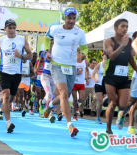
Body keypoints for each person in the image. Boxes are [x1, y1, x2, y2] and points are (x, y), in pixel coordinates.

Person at [43, 7, 88, 137]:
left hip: (71, 67)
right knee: (63, 93)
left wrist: (84, 54)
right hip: (56, 65)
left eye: (74, 18)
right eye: (69, 18)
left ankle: (50, 104)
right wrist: (47, 51)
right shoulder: (55, 29)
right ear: (65, 18)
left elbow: (84, 47)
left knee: (66, 95)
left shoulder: (80, 32)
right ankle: (70, 126)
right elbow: (46, 39)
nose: (71, 21)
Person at [0, 19, 32, 133]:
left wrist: (20, 56)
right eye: (9, 28)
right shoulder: (0, 40)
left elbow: (30, 55)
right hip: (4, 72)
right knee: (7, 96)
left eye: (13, 28)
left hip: (16, 73)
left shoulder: (22, 40)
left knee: (11, 98)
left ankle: (1, 98)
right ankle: (8, 122)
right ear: (5, 29)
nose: (12, 30)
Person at [103, 19, 137, 135]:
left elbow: (131, 59)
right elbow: (111, 56)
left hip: (123, 76)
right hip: (110, 75)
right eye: (122, 26)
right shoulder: (109, 41)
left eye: (127, 26)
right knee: (113, 103)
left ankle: (121, 115)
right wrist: (122, 45)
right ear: (115, 28)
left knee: (123, 104)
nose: (125, 28)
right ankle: (108, 130)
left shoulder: (130, 41)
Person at [71, 48, 88, 121]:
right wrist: (76, 73)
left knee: (81, 99)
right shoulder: (73, 61)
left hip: (81, 83)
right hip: (74, 82)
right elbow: (69, 71)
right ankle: (75, 115)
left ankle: (75, 105)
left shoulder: (85, 61)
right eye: (78, 52)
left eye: (81, 52)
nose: (80, 54)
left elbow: (87, 70)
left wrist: (87, 78)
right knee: (74, 99)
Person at [91, 52, 107, 124]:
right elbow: (92, 74)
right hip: (99, 84)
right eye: (105, 55)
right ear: (102, 56)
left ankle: (107, 116)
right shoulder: (99, 65)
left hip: (106, 85)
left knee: (105, 101)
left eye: (107, 55)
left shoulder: (110, 64)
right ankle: (97, 118)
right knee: (100, 101)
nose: (106, 56)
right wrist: (94, 79)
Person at [34, 50, 45, 116]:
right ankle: (38, 107)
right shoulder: (37, 61)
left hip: (44, 79)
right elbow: (34, 69)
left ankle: (42, 106)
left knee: (43, 96)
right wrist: (35, 71)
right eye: (41, 55)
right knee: (38, 93)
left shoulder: (46, 62)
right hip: (37, 79)